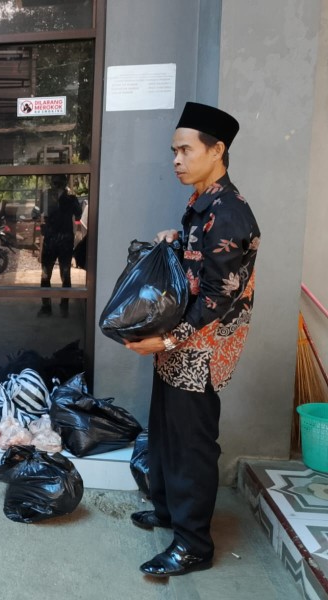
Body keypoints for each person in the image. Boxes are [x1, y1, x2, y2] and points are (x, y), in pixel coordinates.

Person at [124, 102, 261, 577]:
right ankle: (169, 513)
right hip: (179, 346)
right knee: (165, 435)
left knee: (192, 446)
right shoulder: (201, 204)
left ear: (217, 150)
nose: (176, 160)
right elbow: (199, 268)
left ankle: (193, 544)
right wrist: (177, 241)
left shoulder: (229, 213)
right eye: (173, 151)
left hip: (200, 351)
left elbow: (217, 299)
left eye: (185, 150)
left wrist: (163, 343)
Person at [39, 174, 82, 317]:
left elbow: (78, 214)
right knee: (46, 274)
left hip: (64, 240)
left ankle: (64, 306)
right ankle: (47, 306)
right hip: (51, 239)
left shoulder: (70, 198)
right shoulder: (46, 196)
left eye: (59, 183)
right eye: (55, 182)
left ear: (63, 184)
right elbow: (37, 212)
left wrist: (68, 198)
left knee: (65, 274)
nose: (56, 185)